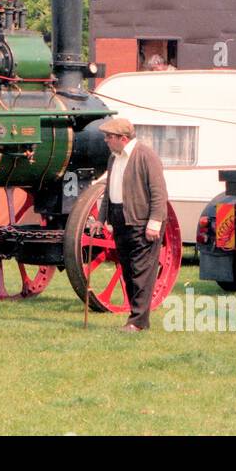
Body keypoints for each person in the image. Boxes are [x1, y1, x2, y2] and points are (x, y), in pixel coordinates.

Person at [98, 117, 169, 332]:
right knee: (129, 271)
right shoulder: (114, 159)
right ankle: (138, 320)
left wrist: (154, 222)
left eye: (109, 137)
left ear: (123, 138)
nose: (106, 141)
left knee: (141, 273)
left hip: (142, 221)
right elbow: (108, 193)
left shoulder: (146, 156)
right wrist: (100, 219)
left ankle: (137, 322)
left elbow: (158, 192)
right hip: (120, 220)